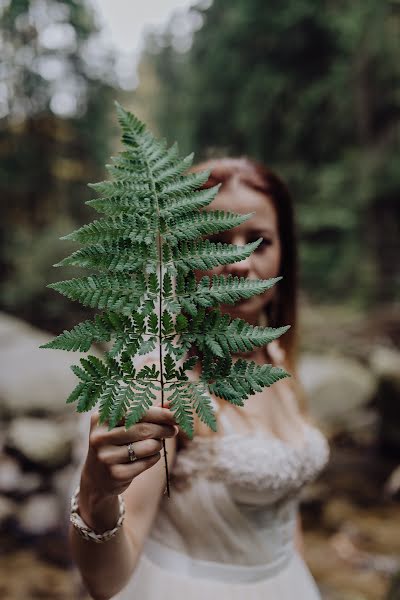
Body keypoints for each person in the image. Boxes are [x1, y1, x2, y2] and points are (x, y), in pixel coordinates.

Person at [68, 157, 329, 599]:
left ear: (285, 249)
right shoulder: (165, 377)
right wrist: (96, 492)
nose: (240, 261)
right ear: (183, 257)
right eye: (218, 241)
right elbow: (107, 581)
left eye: (259, 240)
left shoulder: (274, 351)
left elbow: (284, 514)